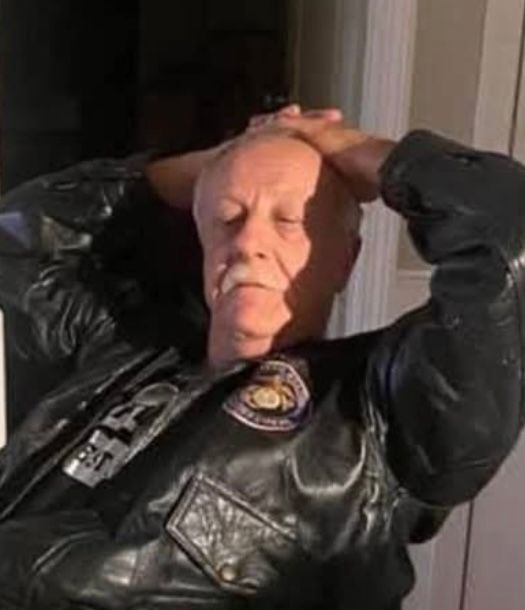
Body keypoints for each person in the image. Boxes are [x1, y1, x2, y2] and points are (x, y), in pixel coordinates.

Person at [0, 106, 523, 610]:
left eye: (288, 220)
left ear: (345, 260)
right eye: (228, 218)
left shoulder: (381, 412)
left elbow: (510, 228)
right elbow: (16, 237)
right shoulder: (126, 344)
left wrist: (355, 149)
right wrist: (214, 164)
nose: (247, 242)